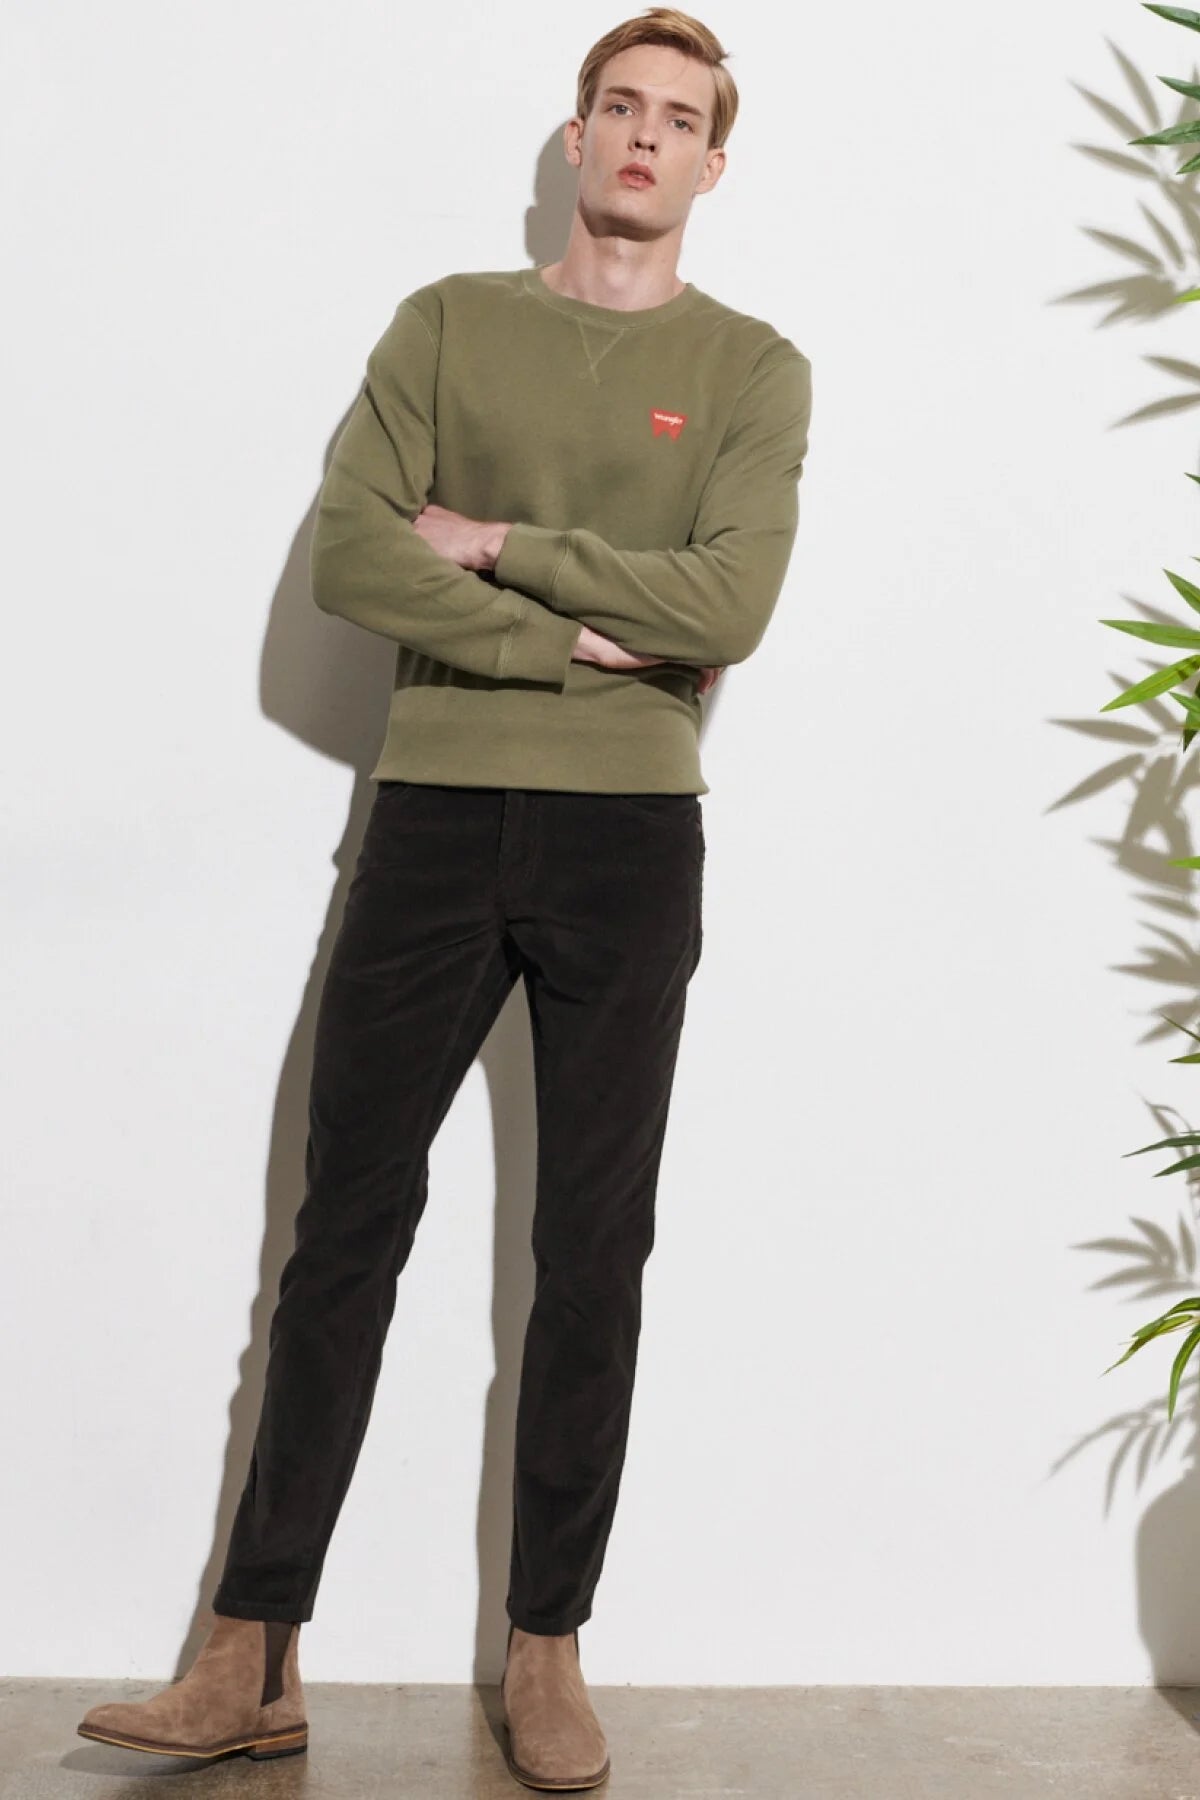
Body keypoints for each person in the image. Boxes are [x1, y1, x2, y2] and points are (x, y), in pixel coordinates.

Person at [76, 7, 813, 1790]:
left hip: (629, 839)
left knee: (593, 1249)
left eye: (679, 118)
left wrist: (491, 543)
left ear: (715, 164)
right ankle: (251, 1648)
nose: (644, 137)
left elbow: (727, 608)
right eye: (618, 107)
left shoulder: (753, 369)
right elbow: (351, 553)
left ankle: (546, 1647)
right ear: (575, 137)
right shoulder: (447, 324)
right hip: (427, 818)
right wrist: (585, 636)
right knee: (344, 1229)